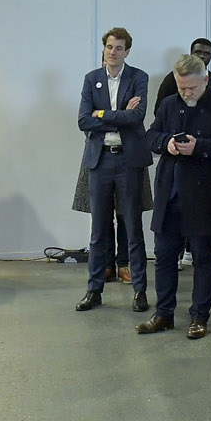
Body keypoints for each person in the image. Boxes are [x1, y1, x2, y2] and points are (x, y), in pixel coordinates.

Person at [140, 56, 211, 339]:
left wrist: (201, 148)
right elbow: (151, 135)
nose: (186, 93)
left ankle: (199, 316)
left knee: (203, 259)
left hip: (204, 194)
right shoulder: (168, 104)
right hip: (169, 193)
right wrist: (167, 144)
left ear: (206, 80)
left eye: (192, 88)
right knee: (164, 257)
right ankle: (163, 313)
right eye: (182, 87)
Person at [76, 27, 151, 313]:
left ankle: (139, 290)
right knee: (98, 231)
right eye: (109, 47)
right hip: (101, 160)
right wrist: (118, 116)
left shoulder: (139, 77)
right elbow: (84, 120)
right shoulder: (91, 79)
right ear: (104, 49)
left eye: (119, 48)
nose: (113, 52)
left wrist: (102, 114)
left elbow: (138, 116)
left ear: (127, 51)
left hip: (128, 161)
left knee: (133, 228)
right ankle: (94, 290)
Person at [152, 36, 211, 107]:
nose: (202, 56)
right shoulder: (174, 77)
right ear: (191, 53)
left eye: (206, 53)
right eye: (198, 52)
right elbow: (160, 108)